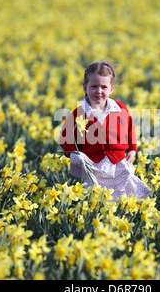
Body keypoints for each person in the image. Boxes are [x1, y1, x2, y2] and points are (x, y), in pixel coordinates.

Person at [59, 61, 150, 201]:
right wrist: (73, 154)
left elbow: (130, 130)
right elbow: (66, 137)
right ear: (85, 88)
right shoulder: (79, 113)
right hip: (93, 165)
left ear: (111, 89)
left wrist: (132, 149)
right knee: (96, 197)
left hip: (119, 161)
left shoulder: (120, 109)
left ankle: (122, 218)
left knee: (125, 194)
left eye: (104, 87)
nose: (99, 91)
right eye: (94, 86)